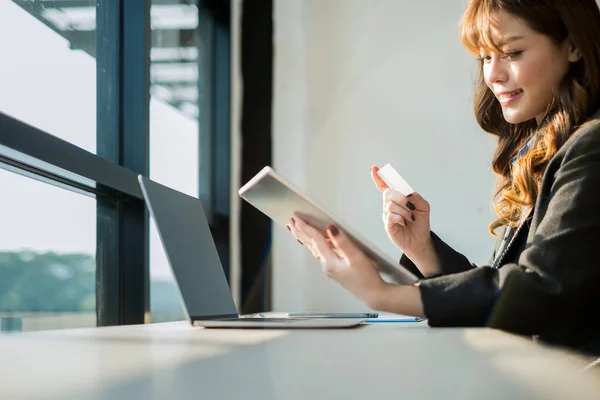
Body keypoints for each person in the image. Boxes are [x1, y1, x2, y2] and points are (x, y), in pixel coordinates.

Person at [287, 0, 600, 356]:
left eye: (512, 53)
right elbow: (512, 295)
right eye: (485, 57)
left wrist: (384, 294)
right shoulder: (553, 149)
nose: (493, 75)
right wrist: (423, 252)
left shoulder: (592, 144)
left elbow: (542, 293)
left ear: (573, 45)